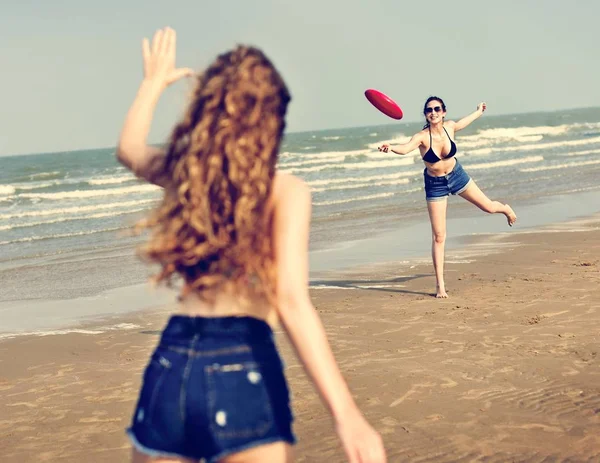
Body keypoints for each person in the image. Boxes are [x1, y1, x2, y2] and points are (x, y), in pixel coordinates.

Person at [117, 27, 386, 463]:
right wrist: (347, 415)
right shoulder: (284, 192)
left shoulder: (186, 176)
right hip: (241, 358)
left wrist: (152, 84)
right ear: (273, 122)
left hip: (171, 360)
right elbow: (292, 303)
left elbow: (129, 149)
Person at [379, 96, 516, 298]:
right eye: (428, 110)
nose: (432, 112)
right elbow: (406, 148)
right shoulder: (422, 137)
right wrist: (390, 147)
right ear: (426, 114)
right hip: (435, 185)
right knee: (439, 236)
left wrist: (478, 111)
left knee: (488, 207)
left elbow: (463, 122)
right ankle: (440, 285)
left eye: (436, 109)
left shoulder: (450, 127)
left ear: (443, 112)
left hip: (457, 175)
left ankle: (505, 208)